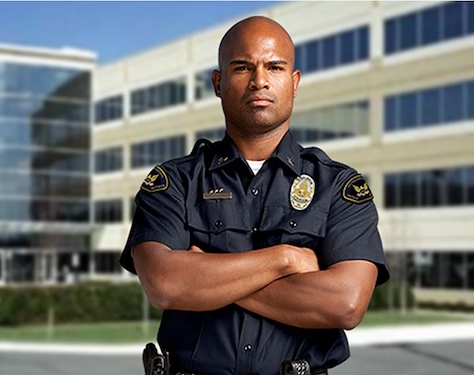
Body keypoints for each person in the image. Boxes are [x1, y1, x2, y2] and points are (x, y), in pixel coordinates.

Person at [120, 16, 389, 375]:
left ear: (294, 83)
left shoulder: (338, 187)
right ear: (218, 83)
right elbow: (165, 284)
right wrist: (286, 260)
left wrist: (206, 276)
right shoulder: (174, 182)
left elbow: (345, 304)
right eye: (242, 67)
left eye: (274, 67)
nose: (259, 80)